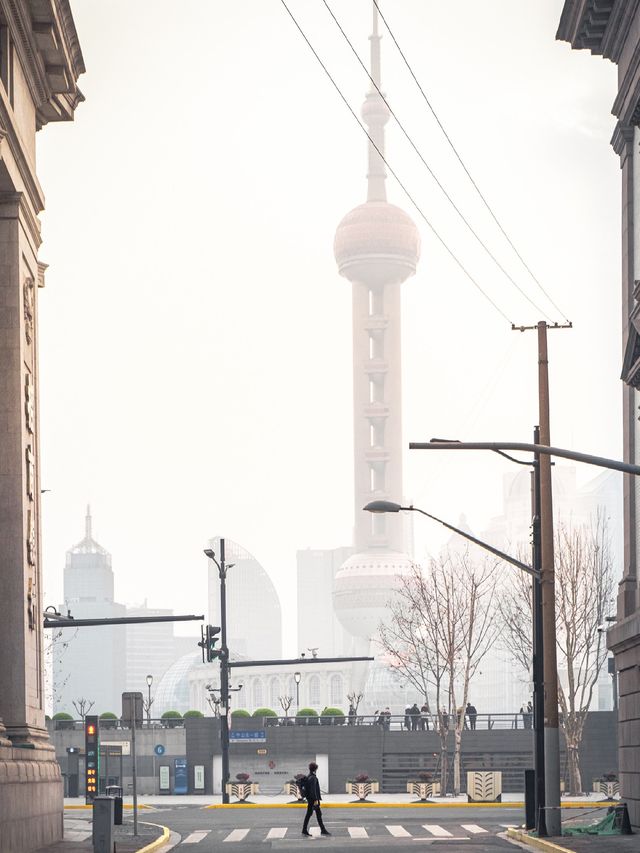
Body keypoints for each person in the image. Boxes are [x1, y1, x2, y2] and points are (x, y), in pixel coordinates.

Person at [301, 762, 330, 837]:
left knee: (315, 814)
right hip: (313, 800)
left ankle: (322, 829)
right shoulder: (313, 778)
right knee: (315, 814)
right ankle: (321, 830)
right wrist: (316, 800)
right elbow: (313, 790)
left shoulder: (309, 776)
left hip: (310, 799)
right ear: (315, 769)